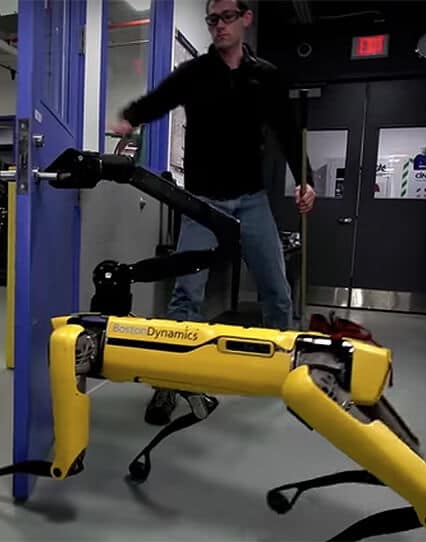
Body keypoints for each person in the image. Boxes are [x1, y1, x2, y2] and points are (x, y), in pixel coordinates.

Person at [110, 0, 316, 426]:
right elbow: (159, 99)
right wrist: (130, 118)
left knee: (277, 293)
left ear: (246, 18)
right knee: (187, 295)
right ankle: (168, 386)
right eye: (212, 19)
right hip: (203, 204)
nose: (218, 26)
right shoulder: (194, 74)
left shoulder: (266, 77)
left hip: (253, 200)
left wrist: (305, 179)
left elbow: (288, 132)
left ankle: (291, 380)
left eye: (226, 17)